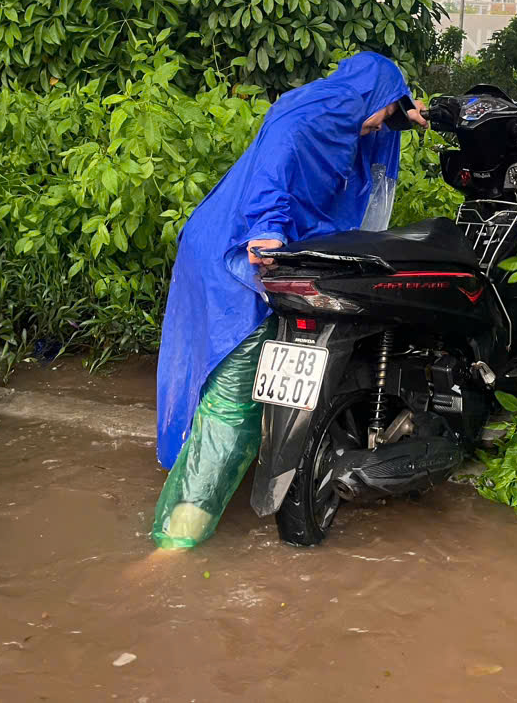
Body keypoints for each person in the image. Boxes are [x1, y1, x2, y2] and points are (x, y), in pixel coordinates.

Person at [151, 51, 427, 549]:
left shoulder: (350, 119)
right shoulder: (310, 112)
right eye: (386, 111)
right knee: (229, 390)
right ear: (372, 97)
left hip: (278, 258)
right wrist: (267, 229)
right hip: (235, 255)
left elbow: (374, 139)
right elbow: (277, 162)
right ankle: (178, 535)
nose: (380, 127)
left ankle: (207, 479)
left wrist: (402, 114)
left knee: (245, 379)